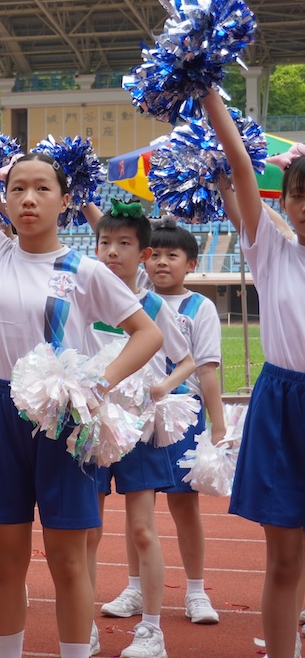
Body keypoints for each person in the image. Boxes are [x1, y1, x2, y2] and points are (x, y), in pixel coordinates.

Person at [0, 127, 164, 658]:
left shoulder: (86, 270)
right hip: (0, 410)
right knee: (7, 559)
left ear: (66, 200)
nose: (28, 199)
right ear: (4, 199)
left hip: (63, 418)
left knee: (68, 560)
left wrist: (98, 383)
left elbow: (147, 334)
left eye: (42, 189)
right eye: (18, 189)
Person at [208, 88, 305, 658]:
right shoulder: (271, 251)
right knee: (284, 556)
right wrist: (205, 89)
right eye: (299, 195)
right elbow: (241, 166)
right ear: (284, 200)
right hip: (282, 406)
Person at [84, 203, 196, 658]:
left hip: (140, 431)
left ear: (144, 254)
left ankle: (151, 631)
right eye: (105, 243)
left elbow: (186, 359)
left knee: (143, 530)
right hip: (89, 429)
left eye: (124, 244)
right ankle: (82, 626)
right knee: (86, 532)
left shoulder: (152, 306)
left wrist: (164, 385)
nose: (112, 251)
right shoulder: (84, 299)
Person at [141, 219, 225, 625]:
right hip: (138, 412)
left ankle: (196, 591)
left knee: (184, 505)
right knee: (139, 505)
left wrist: (218, 426)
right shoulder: (135, 299)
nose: (161, 262)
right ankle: (135, 587)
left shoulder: (200, 308)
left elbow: (206, 370)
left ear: (191, 263)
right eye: (155, 254)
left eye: (172, 255)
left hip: (182, 415)